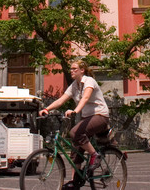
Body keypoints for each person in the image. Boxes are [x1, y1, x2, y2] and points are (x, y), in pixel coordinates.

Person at [40, 60, 109, 189]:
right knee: (75, 148)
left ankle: (95, 155)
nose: (71, 71)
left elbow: (86, 98)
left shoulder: (89, 81)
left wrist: (75, 111)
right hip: (87, 117)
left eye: (74, 69)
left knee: (74, 132)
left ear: (82, 70)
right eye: (71, 69)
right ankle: (75, 180)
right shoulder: (74, 85)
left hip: (100, 116)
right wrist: (47, 109)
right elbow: (61, 100)